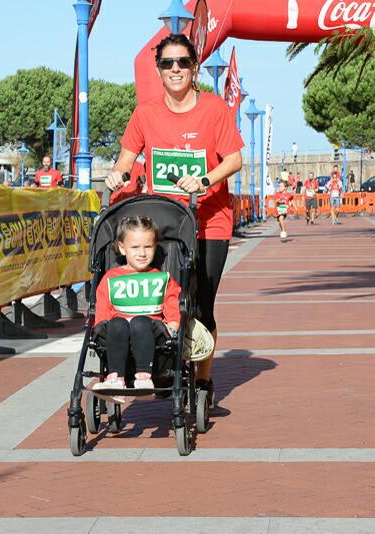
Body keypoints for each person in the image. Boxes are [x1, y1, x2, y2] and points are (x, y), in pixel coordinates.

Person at [104, 33, 243, 403]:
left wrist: (204, 179)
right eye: (168, 63)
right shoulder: (145, 113)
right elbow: (126, 158)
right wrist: (117, 173)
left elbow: (234, 159)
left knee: (201, 306)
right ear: (159, 70)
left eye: (183, 62)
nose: (176, 69)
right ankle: (163, 364)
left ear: (194, 67)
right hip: (163, 225)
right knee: (164, 299)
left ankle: (202, 379)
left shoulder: (214, 109)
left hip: (210, 221)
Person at [93, 216, 181, 403]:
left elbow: (173, 309)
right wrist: (99, 329)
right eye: (135, 247)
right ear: (122, 248)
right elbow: (102, 313)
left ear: (155, 247)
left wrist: (172, 329)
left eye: (148, 247)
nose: (142, 253)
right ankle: (115, 379)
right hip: (118, 333)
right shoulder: (111, 278)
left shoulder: (162, 278)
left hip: (152, 333)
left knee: (140, 321)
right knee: (117, 323)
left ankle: (144, 378)